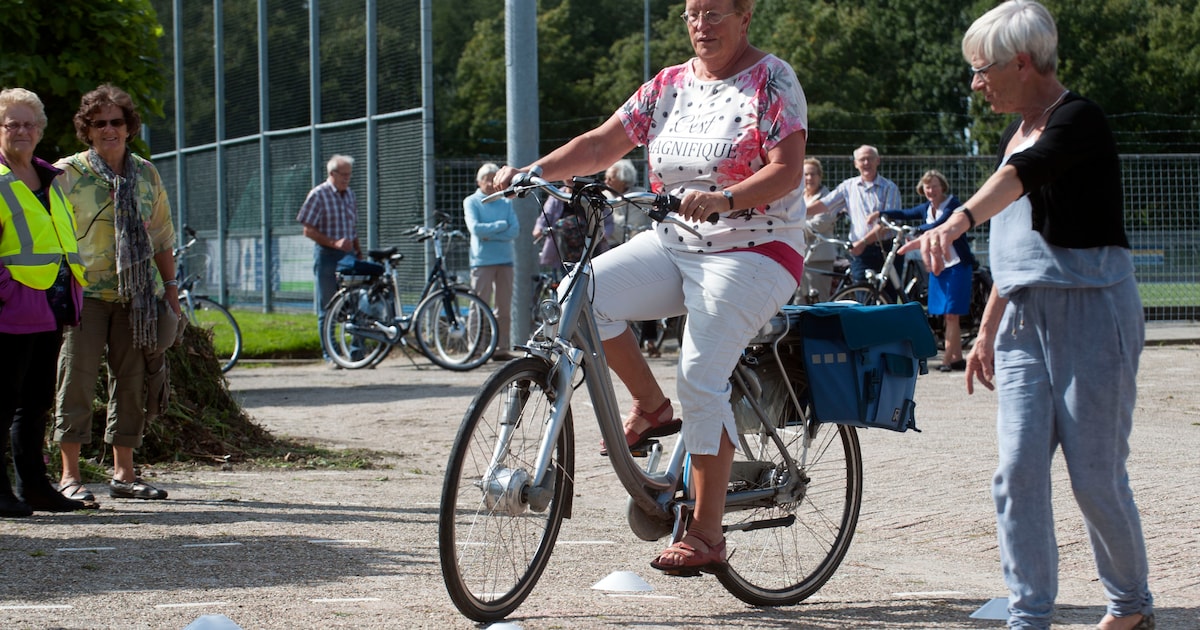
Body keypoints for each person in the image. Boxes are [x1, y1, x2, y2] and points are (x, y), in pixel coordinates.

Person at [494, 0, 808, 576]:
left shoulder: (771, 79)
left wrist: (726, 198)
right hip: (677, 243)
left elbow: (787, 170)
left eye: (714, 13)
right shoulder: (667, 85)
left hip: (755, 247)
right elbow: (599, 145)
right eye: (692, 13)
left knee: (701, 374)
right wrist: (532, 172)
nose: (700, 25)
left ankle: (707, 533)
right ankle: (651, 404)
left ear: (745, 17)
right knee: (577, 293)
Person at [899, 2, 1154, 628]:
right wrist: (986, 330)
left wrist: (957, 219)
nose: (975, 83)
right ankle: (1028, 614)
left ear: (1021, 62)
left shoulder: (1077, 120)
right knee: (1015, 473)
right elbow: (1018, 252)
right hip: (1020, 326)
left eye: (982, 70)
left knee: (1094, 477)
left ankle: (1129, 606)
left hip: (1093, 313)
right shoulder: (1014, 135)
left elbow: (1025, 177)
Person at [54, 84, 180, 502]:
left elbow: (162, 236)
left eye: (117, 122)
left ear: (129, 127)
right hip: (84, 294)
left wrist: (172, 293)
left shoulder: (146, 173)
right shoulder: (67, 173)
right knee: (76, 379)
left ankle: (124, 475)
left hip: (138, 298)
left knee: (131, 382)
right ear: (87, 130)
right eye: (99, 123)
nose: (109, 129)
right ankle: (70, 476)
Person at [0, 88, 94, 515]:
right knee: (3, 399)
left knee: (35, 400)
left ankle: (34, 486)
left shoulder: (48, 177)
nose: (22, 131)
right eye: (12, 123)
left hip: (50, 302)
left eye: (29, 124)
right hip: (11, 303)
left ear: (40, 130)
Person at [870, 169, 975, 371]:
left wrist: (919, 230)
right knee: (944, 313)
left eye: (934, 186)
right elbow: (906, 213)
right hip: (938, 265)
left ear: (942, 187)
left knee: (952, 313)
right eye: (927, 186)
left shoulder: (952, 204)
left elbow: (941, 223)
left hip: (957, 265)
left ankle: (948, 360)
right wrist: (882, 214)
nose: (931, 190)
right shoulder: (926, 207)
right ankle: (956, 357)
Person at [806, 145, 900, 288]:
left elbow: (886, 224)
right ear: (856, 164)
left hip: (885, 250)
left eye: (870, 159)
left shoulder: (890, 188)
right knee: (862, 296)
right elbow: (825, 204)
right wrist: (795, 212)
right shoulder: (848, 186)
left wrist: (862, 242)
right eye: (862, 160)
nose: (866, 163)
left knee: (887, 298)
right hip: (860, 253)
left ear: (878, 161)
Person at [297, 154, 360, 366]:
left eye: (349, 175)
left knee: (355, 303)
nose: (347, 179)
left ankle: (357, 353)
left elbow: (353, 228)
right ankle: (331, 355)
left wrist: (358, 250)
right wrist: (334, 243)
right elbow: (308, 230)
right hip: (327, 255)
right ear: (332, 174)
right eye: (343, 175)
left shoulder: (350, 194)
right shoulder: (318, 195)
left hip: (349, 257)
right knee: (328, 306)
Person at [463, 162, 519, 361]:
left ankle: (501, 348)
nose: (489, 182)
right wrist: (501, 226)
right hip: (481, 261)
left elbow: (515, 230)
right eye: (485, 178)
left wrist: (490, 233)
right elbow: (476, 229)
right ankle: (475, 347)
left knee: (503, 307)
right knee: (478, 305)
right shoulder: (471, 201)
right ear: (478, 181)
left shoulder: (505, 202)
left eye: (492, 178)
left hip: (505, 260)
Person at [797, 157, 837, 302]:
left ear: (820, 176)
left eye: (813, 174)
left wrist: (793, 223)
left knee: (819, 301)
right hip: (798, 257)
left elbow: (819, 225)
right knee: (798, 301)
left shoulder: (828, 199)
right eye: (805, 174)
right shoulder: (797, 197)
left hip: (819, 259)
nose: (809, 178)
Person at [604, 158, 647, 247]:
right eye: (606, 178)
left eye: (610, 178)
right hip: (610, 247)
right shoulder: (603, 197)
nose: (606, 182)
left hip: (639, 245)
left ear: (624, 180)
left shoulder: (641, 197)